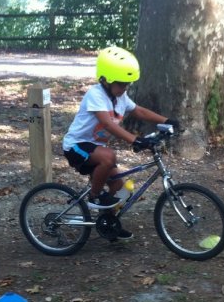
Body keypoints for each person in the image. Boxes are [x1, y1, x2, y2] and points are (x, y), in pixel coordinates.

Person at [62, 46, 179, 239]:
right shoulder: (95, 95)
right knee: (109, 157)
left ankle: (108, 225)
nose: (125, 87)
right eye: (121, 84)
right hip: (76, 147)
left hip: (94, 149)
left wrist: (165, 121)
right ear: (106, 80)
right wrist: (135, 140)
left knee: (119, 188)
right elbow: (107, 124)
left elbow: (139, 111)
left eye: (128, 84)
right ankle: (94, 196)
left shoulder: (120, 97)